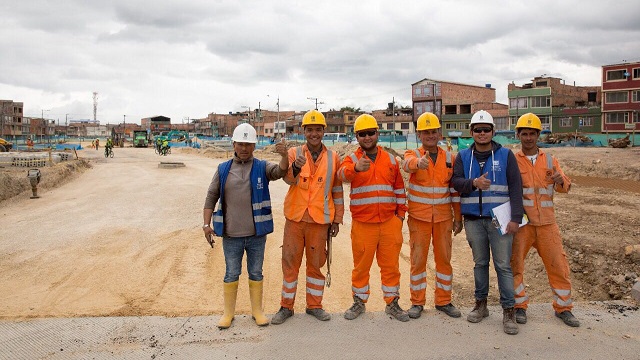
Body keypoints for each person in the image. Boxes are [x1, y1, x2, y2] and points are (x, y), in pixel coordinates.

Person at [202, 123, 288, 329]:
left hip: (256, 235)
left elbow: (280, 172)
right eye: (241, 144)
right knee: (231, 273)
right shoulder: (223, 169)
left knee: (256, 272)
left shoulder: (261, 167)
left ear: (254, 146)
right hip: (231, 236)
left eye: (248, 144)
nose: (244, 148)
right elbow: (211, 196)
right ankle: (228, 313)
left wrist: (285, 156)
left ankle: (257, 311)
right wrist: (206, 224)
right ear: (233, 144)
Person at [451, 110, 523, 335]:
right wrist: (473, 183)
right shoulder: (463, 156)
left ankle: (509, 311)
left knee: (503, 265)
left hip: (499, 221)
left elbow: (516, 187)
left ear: (493, 131)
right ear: (471, 132)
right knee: (480, 264)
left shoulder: (506, 155)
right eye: (478, 130)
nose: (482, 133)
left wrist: (516, 219)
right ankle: (481, 305)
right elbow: (455, 182)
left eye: (486, 130)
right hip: (473, 220)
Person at [271, 110, 344, 325]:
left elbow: (337, 190)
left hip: (319, 221)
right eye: (310, 130)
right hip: (296, 218)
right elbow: (288, 180)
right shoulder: (294, 153)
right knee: (290, 263)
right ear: (304, 131)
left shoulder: (333, 158)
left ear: (324, 131)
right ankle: (286, 307)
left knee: (316, 264)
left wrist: (337, 219)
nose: (314, 133)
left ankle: (314, 306)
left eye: (318, 130)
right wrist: (291, 162)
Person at [338, 114, 409, 322]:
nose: (367, 137)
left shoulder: (390, 160)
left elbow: (399, 189)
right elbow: (341, 176)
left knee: (391, 266)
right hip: (363, 224)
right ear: (357, 137)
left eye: (371, 133)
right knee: (361, 266)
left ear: (377, 133)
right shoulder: (352, 159)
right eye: (362, 134)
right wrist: (355, 169)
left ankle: (392, 303)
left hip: (389, 222)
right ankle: (359, 302)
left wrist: (400, 216)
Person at [511, 113, 580, 327]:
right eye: (525, 133)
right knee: (515, 266)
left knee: (557, 265)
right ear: (519, 135)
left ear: (538, 135)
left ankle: (563, 308)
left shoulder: (549, 160)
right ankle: (519, 306)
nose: (529, 138)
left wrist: (561, 180)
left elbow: (565, 187)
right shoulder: (512, 160)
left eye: (533, 133)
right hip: (523, 224)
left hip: (548, 224)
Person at [402, 112, 463, 319]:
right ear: (419, 134)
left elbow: (454, 190)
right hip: (419, 218)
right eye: (425, 132)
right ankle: (417, 302)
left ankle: (444, 301)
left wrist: (458, 217)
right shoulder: (413, 153)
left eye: (433, 131)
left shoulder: (449, 158)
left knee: (444, 260)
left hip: (443, 219)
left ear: (439, 133)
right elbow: (407, 164)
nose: (430, 135)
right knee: (418, 260)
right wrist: (418, 164)